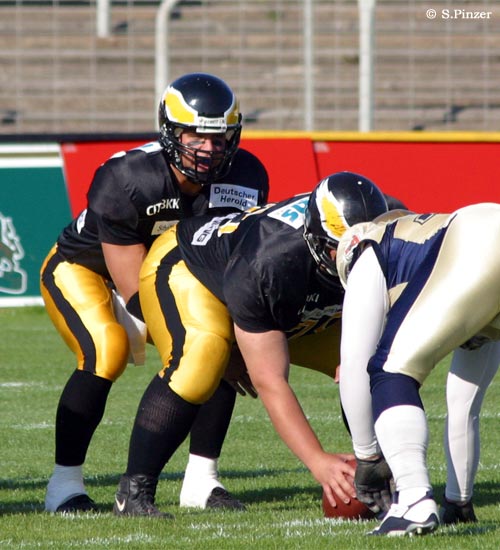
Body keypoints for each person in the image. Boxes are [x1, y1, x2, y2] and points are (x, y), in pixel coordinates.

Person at [40, 72, 269, 513]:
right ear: (170, 132)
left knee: (214, 336)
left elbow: (224, 268)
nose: (208, 148)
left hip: (169, 273)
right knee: (107, 351)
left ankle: (201, 482)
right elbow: (133, 288)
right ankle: (63, 487)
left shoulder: (246, 176)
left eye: (218, 138)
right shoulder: (128, 178)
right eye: (195, 136)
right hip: (86, 268)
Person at [111, 171, 390, 517]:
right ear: (316, 238)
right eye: (341, 248)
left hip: (285, 295)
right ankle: (133, 492)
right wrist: (318, 461)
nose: (353, 260)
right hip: (188, 266)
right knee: (203, 356)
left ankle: (387, 471)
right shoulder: (269, 263)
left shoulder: (386, 237)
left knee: (374, 367)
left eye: (363, 249)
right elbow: (270, 380)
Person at [337, 203, 500, 536]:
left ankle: (413, 500)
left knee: (390, 369)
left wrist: (367, 457)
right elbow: (463, 405)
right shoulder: (434, 252)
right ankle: (458, 503)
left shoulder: (370, 247)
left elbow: (355, 363)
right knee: (465, 401)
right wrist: (458, 502)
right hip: (483, 241)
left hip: (479, 236)